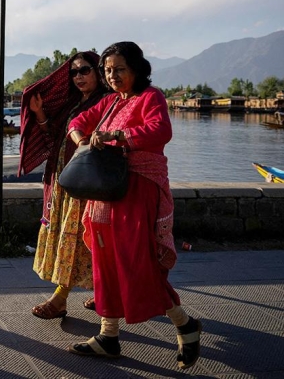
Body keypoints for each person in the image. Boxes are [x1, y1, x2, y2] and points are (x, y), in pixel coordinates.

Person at [65, 42, 201, 370]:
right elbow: (76, 122)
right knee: (105, 259)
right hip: (108, 190)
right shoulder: (110, 101)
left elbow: (160, 130)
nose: (112, 76)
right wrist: (82, 140)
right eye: (108, 70)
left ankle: (185, 324)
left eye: (120, 69)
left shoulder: (150, 98)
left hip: (138, 189)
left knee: (136, 261)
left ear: (137, 70)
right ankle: (108, 336)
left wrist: (115, 135)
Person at [18, 51, 107, 319]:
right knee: (88, 240)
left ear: (99, 72)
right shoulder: (73, 104)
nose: (78, 76)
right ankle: (106, 292)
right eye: (74, 72)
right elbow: (54, 136)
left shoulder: (106, 103)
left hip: (87, 184)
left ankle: (60, 299)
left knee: (82, 239)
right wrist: (39, 112)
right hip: (64, 179)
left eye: (85, 70)